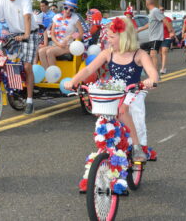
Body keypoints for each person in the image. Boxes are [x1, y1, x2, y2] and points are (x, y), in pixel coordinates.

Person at [64, 17, 159, 161]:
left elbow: (153, 72)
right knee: (104, 115)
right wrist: (73, 81)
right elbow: (89, 69)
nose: (108, 40)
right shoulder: (108, 53)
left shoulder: (139, 54)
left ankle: (137, 146)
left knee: (123, 110)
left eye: (112, 37)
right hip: (116, 92)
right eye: (107, 36)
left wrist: (151, 80)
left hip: (134, 92)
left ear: (124, 37)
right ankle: (109, 144)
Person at [38, 0, 84, 69]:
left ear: (74, 10)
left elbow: (81, 33)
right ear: (64, 6)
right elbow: (52, 34)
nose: (68, 11)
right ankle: (46, 74)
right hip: (57, 44)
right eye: (66, 8)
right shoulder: (56, 17)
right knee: (41, 51)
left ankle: (54, 76)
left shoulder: (75, 18)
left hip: (68, 46)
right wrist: (58, 43)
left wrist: (71, 36)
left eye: (71, 10)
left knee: (50, 52)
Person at [137, 0, 174, 70]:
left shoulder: (155, 11)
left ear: (147, 4)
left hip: (156, 37)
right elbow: (149, 24)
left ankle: (154, 75)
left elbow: (165, 20)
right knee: (151, 54)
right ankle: (154, 72)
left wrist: (171, 31)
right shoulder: (151, 12)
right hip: (152, 37)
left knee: (153, 54)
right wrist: (138, 30)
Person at [159, 6, 175, 74]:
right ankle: (163, 66)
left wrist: (172, 33)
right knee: (160, 53)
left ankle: (163, 68)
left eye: (162, 10)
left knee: (164, 51)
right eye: (160, 10)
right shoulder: (156, 19)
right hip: (159, 37)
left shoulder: (168, 19)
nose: (161, 11)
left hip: (167, 37)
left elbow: (171, 28)